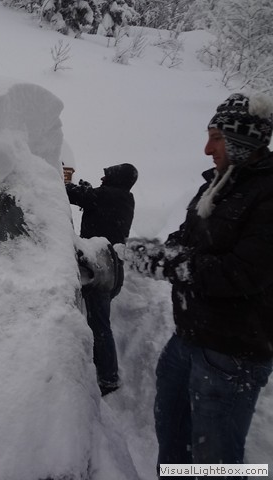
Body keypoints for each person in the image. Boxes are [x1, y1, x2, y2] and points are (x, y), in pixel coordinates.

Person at [124, 92, 273, 477]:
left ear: (243, 139)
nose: (207, 149)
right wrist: (153, 250)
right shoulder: (218, 184)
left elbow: (242, 272)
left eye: (217, 138)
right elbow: (188, 238)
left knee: (215, 462)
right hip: (189, 338)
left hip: (233, 354)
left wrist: (166, 263)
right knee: (172, 439)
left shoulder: (267, 193)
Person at [65, 163, 138, 396]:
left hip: (102, 268)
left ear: (116, 179)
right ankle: (104, 372)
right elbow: (94, 199)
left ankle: (108, 378)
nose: (102, 178)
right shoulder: (123, 197)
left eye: (107, 176)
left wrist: (63, 182)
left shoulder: (108, 195)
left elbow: (74, 195)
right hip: (113, 269)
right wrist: (88, 191)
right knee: (99, 323)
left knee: (100, 326)